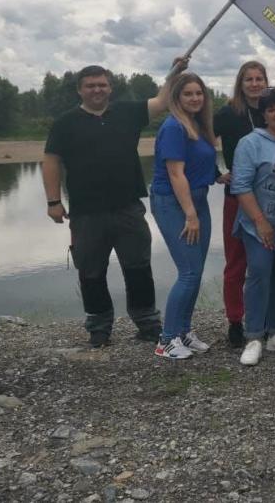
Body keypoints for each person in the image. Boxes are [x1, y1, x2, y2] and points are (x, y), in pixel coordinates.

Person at [42, 60, 186, 348]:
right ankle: (99, 327)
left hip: (128, 207)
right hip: (86, 212)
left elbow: (161, 101)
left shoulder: (128, 112)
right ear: (80, 90)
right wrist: (53, 201)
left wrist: (175, 72)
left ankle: (147, 323)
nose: (97, 90)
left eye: (102, 85)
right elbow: (51, 161)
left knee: (138, 267)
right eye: (90, 86)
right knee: (91, 271)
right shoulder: (65, 123)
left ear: (110, 87)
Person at [149, 72, 222, 359]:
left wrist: (219, 176)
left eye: (198, 93)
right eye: (188, 93)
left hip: (198, 200)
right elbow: (175, 173)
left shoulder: (197, 125)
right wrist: (191, 215)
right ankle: (166, 340)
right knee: (189, 273)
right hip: (174, 204)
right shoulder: (173, 127)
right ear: (177, 98)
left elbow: (201, 161)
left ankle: (183, 332)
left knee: (196, 272)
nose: (194, 98)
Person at [230, 86, 275, 366]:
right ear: (264, 115)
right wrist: (261, 222)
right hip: (257, 223)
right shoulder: (250, 143)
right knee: (259, 273)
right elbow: (240, 185)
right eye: (271, 109)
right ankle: (253, 336)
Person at [213, 60, 267, 348]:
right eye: (249, 79)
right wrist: (215, 173)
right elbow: (200, 139)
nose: (255, 84)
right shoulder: (228, 112)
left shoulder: (272, 110)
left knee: (265, 264)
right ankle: (235, 321)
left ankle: (264, 319)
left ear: (266, 82)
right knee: (236, 262)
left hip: (269, 198)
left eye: (259, 78)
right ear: (240, 83)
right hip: (236, 197)